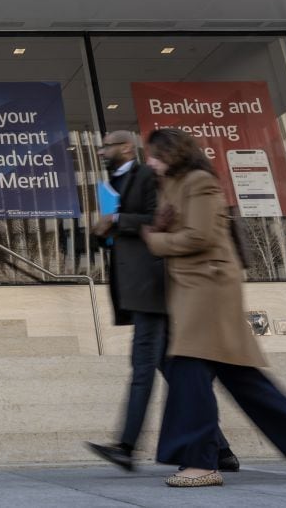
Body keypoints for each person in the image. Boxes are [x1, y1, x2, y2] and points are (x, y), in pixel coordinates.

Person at [141, 128, 286, 488]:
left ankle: (201, 462)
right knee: (241, 378)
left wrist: (156, 240)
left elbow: (200, 236)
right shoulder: (170, 185)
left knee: (187, 371)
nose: (149, 161)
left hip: (208, 287)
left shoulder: (200, 181)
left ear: (173, 153)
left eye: (155, 154)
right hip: (191, 288)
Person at [85, 131, 237, 473]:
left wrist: (117, 221)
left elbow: (162, 219)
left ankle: (126, 446)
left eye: (107, 146)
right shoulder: (114, 183)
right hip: (138, 287)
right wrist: (102, 231)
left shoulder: (147, 176)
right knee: (169, 369)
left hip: (153, 285)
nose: (100, 151)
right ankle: (220, 449)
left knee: (143, 366)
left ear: (126, 148)